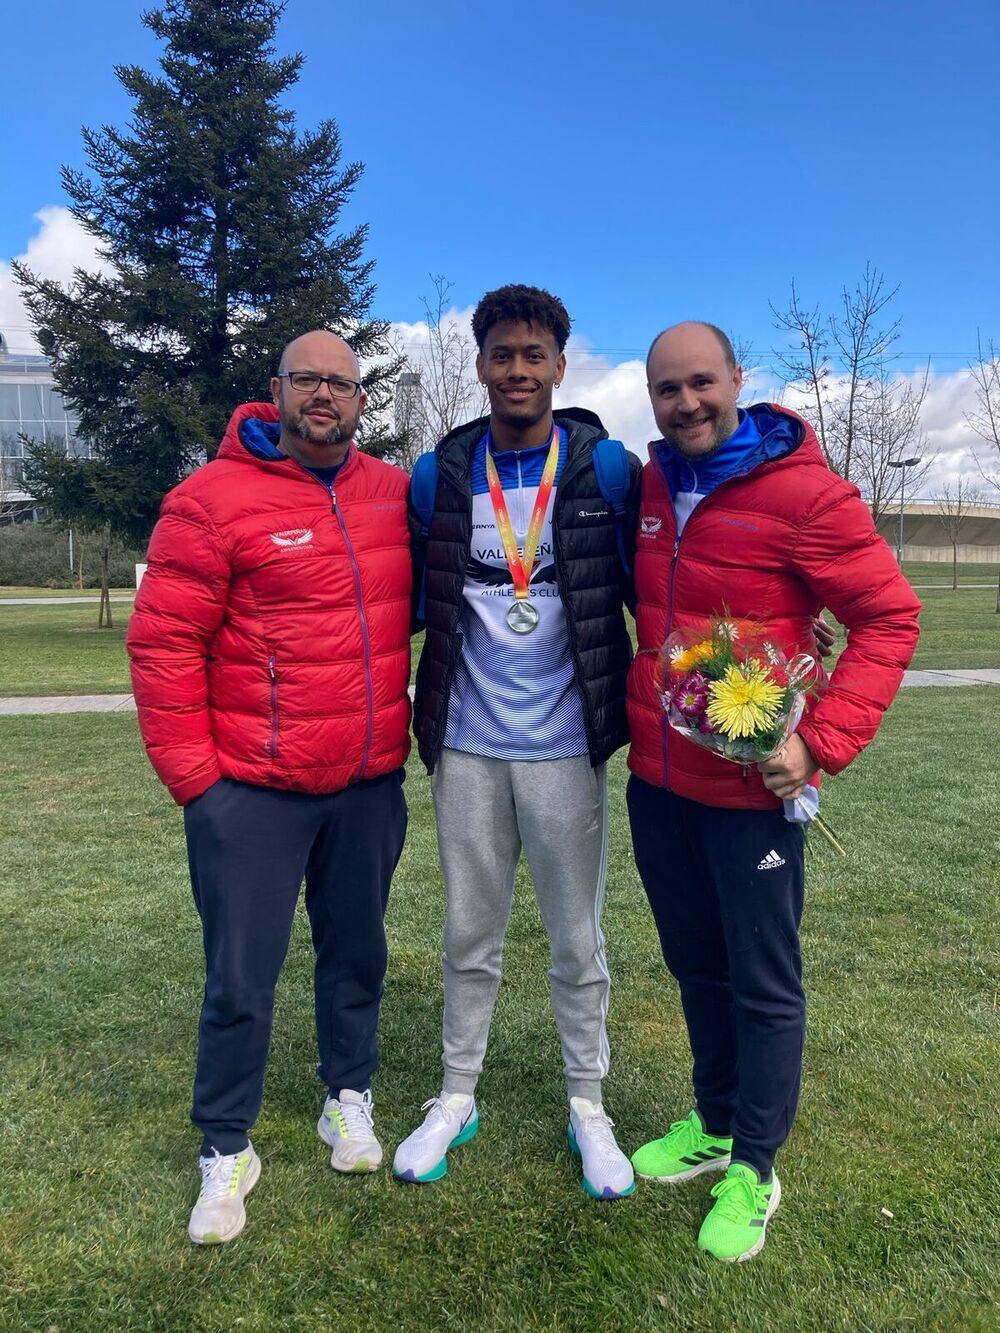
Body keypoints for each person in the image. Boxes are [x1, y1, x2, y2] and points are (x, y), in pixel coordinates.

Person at [626, 321, 921, 1261]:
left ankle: (757, 1161)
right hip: (658, 781)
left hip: (753, 794)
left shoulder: (806, 493)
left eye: (701, 382)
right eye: (668, 389)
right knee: (693, 964)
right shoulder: (648, 486)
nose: (687, 403)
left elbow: (890, 615)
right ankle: (714, 1124)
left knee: (761, 981)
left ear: (737, 381)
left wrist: (821, 741)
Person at [126, 331, 412, 1245]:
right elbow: (164, 646)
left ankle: (348, 1097)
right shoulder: (208, 502)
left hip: (366, 784)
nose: (323, 394)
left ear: (361, 399)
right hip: (250, 790)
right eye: (307, 380)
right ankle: (226, 1145)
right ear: (276, 391)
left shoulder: (394, 496)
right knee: (241, 976)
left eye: (340, 381)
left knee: (357, 956)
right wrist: (198, 783)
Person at [392, 285, 642, 1199]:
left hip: (566, 751)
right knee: (469, 931)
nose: (519, 370)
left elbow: (660, 581)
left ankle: (590, 1104)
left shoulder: (606, 471)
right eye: (502, 354)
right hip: (465, 746)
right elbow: (409, 594)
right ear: (481, 364)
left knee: (577, 938)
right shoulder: (442, 474)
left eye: (535, 354)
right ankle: (456, 1093)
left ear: (560, 365)